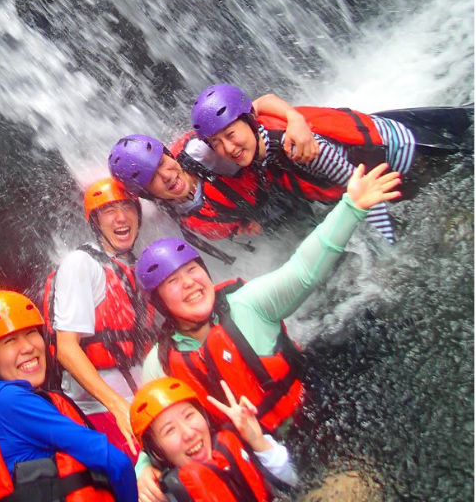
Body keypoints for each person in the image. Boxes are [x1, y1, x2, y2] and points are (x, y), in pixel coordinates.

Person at [131, 162, 401, 501]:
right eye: (173, 282)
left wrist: (351, 207)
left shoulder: (248, 304)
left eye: (192, 271)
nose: (189, 284)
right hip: (255, 461)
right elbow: (152, 424)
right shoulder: (161, 363)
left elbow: (304, 270)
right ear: (159, 302)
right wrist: (144, 468)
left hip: (314, 428)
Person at [191, 83, 473, 243]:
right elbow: (262, 100)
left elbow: (363, 193)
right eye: (216, 143)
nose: (228, 148)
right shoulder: (258, 142)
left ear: (248, 122)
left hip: (408, 156)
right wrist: (294, 116)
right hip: (386, 134)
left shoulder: (299, 148)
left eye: (230, 135)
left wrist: (392, 243)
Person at [0, 290, 138, 502]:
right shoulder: (11, 401)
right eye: (10, 341)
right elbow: (115, 461)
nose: (29, 347)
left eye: (31, 332)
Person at [42, 177, 157, 458]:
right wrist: (117, 405)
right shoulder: (81, 264)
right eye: (109, 211)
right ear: (95, 223)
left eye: (128, 207)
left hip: (142, 398)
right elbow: (67, 350)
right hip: (100, 409)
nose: (121, 218)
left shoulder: (136, 265)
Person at [107, 96, 322, 245]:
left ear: (169, 155)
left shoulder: (203, 149)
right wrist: (243, 226)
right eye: (152, 178)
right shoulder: (181, 217)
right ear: (146, 193)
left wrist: (295, 119)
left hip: (285, 181)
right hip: (264, 215)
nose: (167, 175)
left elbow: (254, 108)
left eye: (162, 163)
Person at [130, 376, 295, 501]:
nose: (189, 434)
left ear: (205, 418)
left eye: (189, 415)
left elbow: (294, 482)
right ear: (157, 453)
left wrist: (258, 442)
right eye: (170, 430)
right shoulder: (167, 494)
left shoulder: (235, 442)